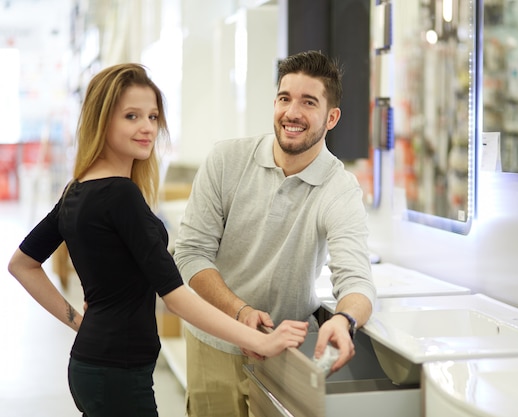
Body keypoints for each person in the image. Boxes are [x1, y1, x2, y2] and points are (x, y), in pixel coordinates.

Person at [7, 63, 308, 417]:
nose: (147, 128)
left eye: (152, 116)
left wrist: (80, 323)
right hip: (119, 373)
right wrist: (259, 340)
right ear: (102, 120)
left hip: (91, 364)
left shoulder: (78, 190)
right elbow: (177, 298)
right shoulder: (120, 195)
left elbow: (22, 264)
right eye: (131, 116)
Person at [174, 50, 377, 417]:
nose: (292, 113)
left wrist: (343, 321)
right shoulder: (225, 160)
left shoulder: (339, 189)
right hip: (213, 341)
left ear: (332, 117)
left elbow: (357, 281)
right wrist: (240, 313)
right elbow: (191, 253)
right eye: (284, 98)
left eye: (308, 102)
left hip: (283, 353)